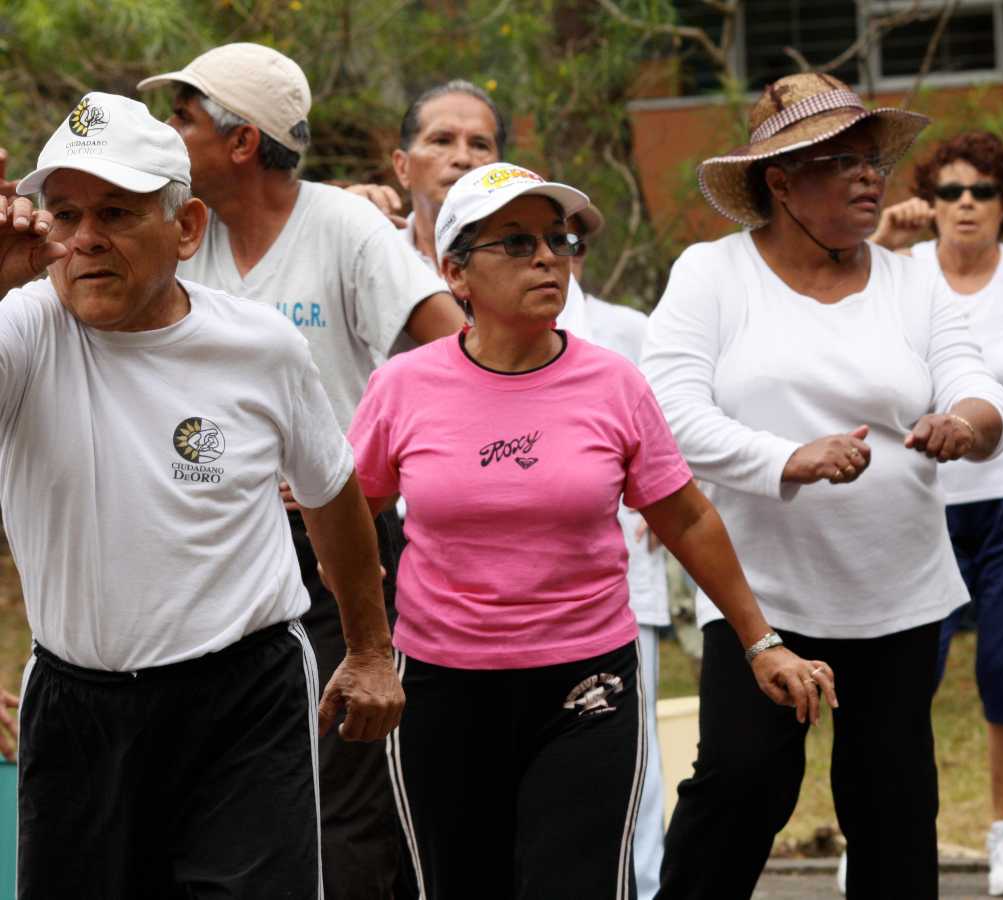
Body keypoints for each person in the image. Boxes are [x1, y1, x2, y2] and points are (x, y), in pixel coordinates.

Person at [347, 161, 831, 899]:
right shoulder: (404, 386)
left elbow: (688, 515)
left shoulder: (613, 382)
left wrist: (761, 642)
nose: (547, 258)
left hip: (587, 683)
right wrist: (366, 649)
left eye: (558, 240)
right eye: (515, 244)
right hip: (443, 685)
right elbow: (352, 517)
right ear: (455, 274)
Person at [0, 92, 403, 898]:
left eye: (115, 212)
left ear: (185, 229)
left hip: (242, 703)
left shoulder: (260, 347)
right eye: (67, 213)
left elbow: (332, 497)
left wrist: (367, 650)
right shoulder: (24, 328)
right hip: (77, 706)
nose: (85, 239)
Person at [640, 74, 1003, 900]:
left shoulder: (913, 282)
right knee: (741, 788)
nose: (869, 176)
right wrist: (785, 459)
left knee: (893, 809)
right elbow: (664, 414)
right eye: (841, 160)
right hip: (761, 598)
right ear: (779, 181)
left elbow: (976, 385)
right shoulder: (714, 275)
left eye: (873, 158)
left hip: (898, 594)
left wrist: (970, 423)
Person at [136, 44, 462, 900]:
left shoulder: (343, 229)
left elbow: (460, 351)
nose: (168, 134)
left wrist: (376, 462)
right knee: (216, 779)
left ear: (243, 142)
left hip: (334, 541)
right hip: (201, 543)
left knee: (342, 783)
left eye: (184, 117)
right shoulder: (176, 230)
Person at [870, 131, 1003, 896]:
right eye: (951, 191)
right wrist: (878, 243)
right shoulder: (898, 268)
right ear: (929, 204)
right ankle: (882, 827)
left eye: (983, 192)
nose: (966, 205)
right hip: (915, 501)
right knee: (899, 677)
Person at [569, 201, 670, 899]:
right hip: (486, 617)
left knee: (634, 763)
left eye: (567, 240)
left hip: (620, 588)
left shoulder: (627, 334)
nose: (552, 255)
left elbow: (671, 458)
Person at [348, 79, 593, 337]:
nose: (463, 159)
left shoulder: (541, 268)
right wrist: (341, 223)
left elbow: (570, 369)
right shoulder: (366, 251)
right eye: (442, 141)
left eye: (479, 145)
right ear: (402, 167)